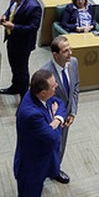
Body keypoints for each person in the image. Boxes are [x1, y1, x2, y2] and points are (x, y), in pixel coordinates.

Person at [13, 69, 65, 197]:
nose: (56, 87)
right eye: (53, 86)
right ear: (42, 92)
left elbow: (59, 104)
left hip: (35, 161)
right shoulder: (31, 114)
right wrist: (56, 122)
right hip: (31, 168)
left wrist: (55, 119)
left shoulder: (37, 95)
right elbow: (53, 139)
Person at [34, 36, 79, 184]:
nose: (70, 53)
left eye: (70, 49)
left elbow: (75, 87)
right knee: (46, 146)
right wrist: (55, 119)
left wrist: (72, 111)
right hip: (51, 120)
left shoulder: (73, 63)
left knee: (61, 145)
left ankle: (55, 170)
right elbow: (40, 102)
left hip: (66, 117)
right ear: (55, 54)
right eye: (66, 51)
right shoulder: (44, 73)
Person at [0, 0, 42, 97]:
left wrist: (13, 26)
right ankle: (15, 87)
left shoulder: (34, 6)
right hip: (12, 38)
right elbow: (10, 10)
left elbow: (33, 28)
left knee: (22, 69)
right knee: (13, 65)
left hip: (23, 43)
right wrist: (5, 15)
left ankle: (24, 97)